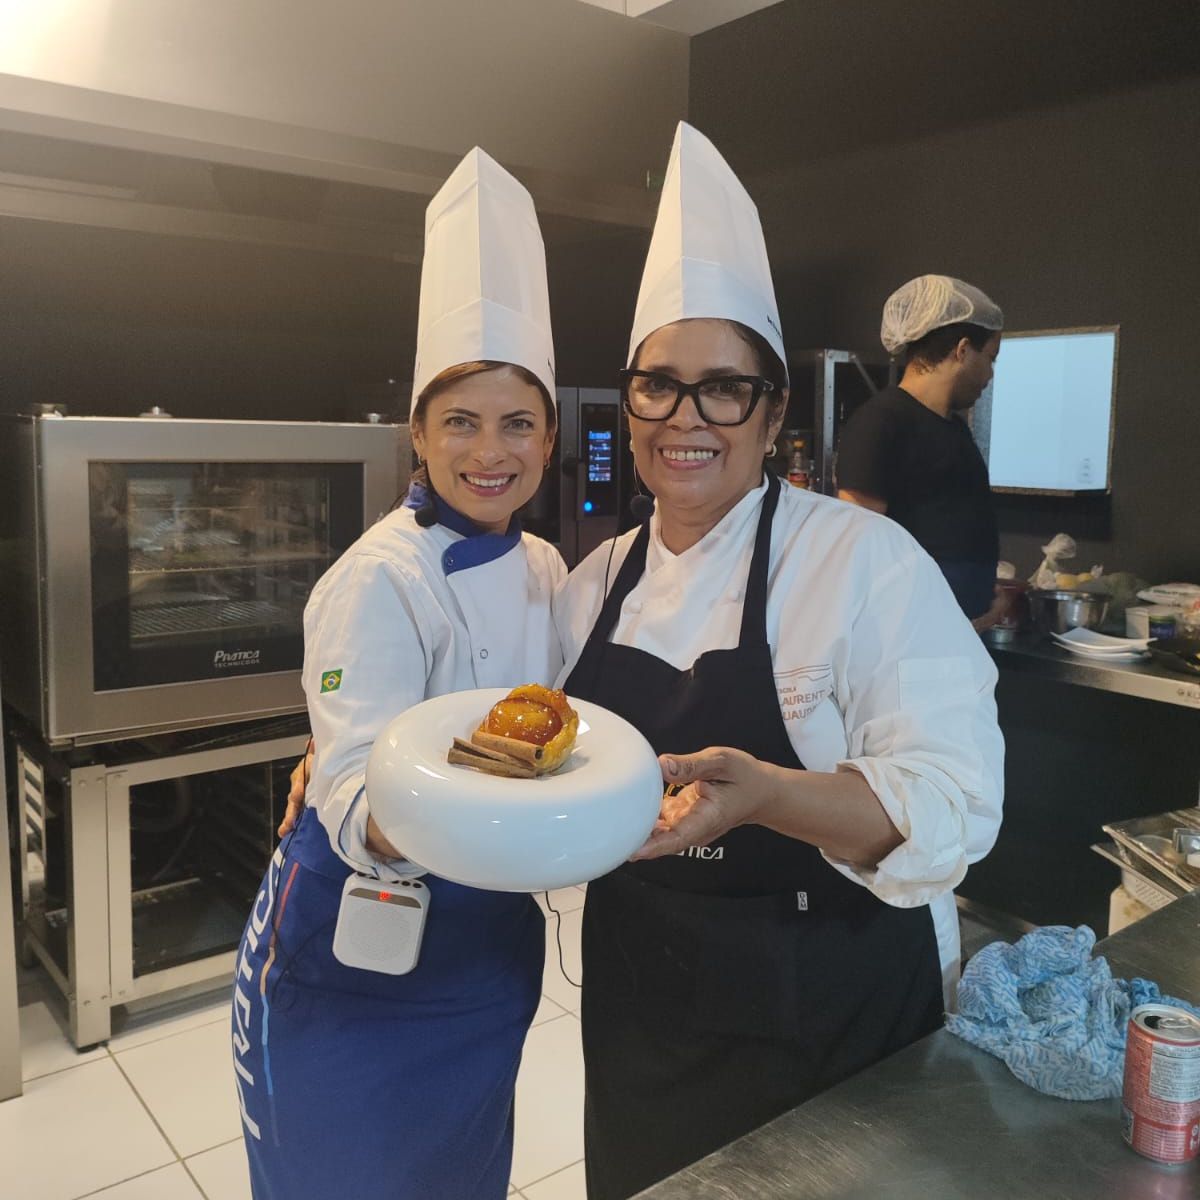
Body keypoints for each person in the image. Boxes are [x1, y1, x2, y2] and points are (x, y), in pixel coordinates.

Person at [553, 124, 1005, 1200]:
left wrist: (764, 798)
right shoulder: (591, 579)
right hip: (638, 1006)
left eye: (726, 389)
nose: (687, 418)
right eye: (659, 386)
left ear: (774, 413)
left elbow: (955, 806)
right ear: (632, 400)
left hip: (830, 1011)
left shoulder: (864, 563)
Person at [232, 147, 565, 1200]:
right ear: (415, 434)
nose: (490, 451)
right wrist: (369, 792)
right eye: (460, 421)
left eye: (518, 422)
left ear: (550, 437)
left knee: (463, 1176)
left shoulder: (549, 569)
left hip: (485, 945)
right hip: (353, 947)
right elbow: (344, 792)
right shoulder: (371, 578)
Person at [835, 274, 1005, 629]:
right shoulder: (881, 422)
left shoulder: (953, 427)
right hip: (916, 646)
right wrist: (944, 631)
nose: (990, 374)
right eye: (990, 358)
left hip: (958, 637)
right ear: (961, 350)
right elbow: (857, 557)